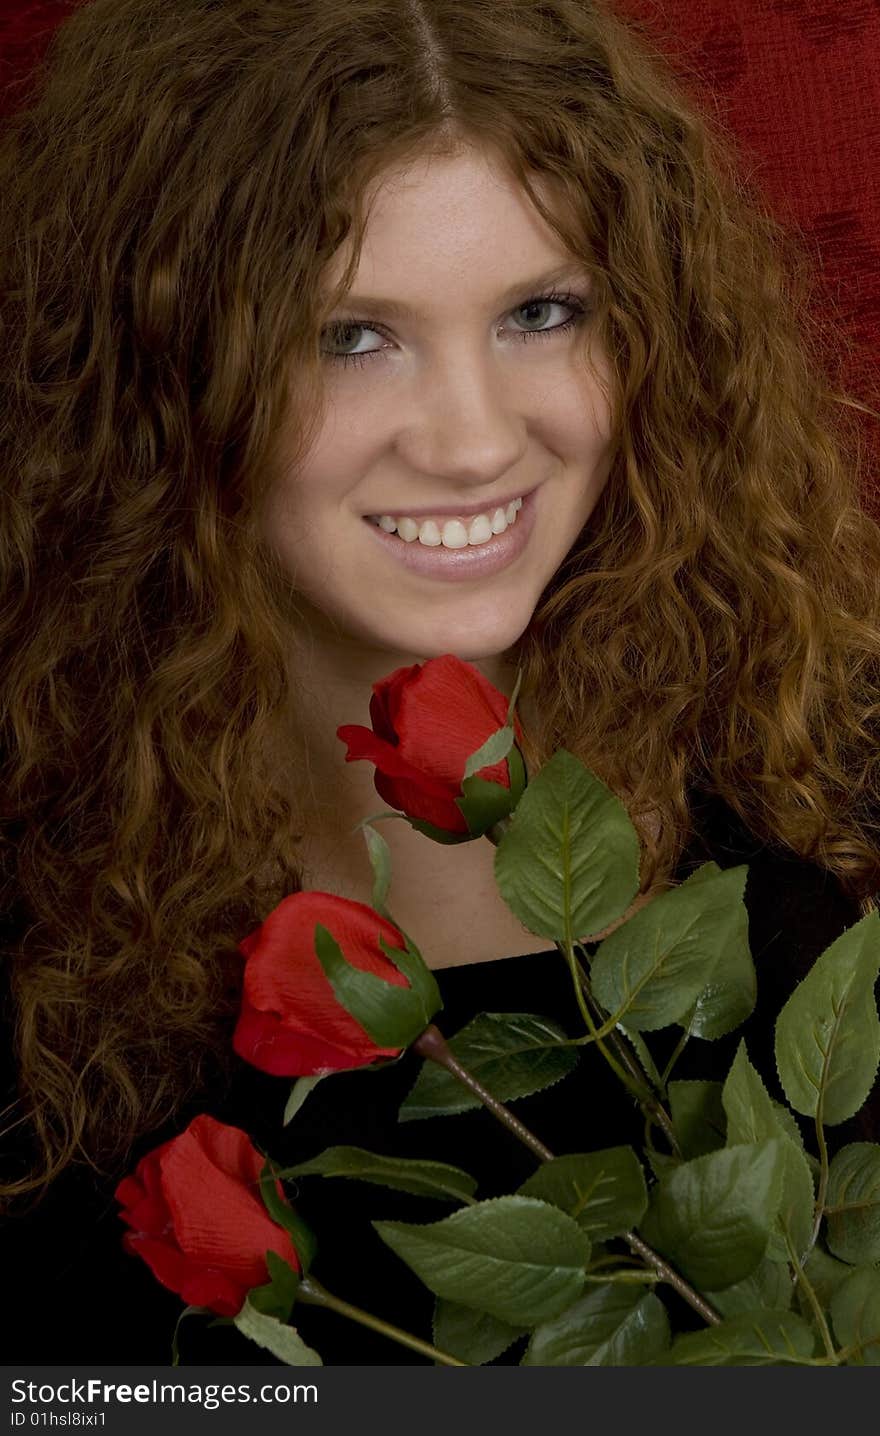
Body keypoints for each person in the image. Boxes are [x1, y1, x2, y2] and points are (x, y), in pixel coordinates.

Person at [1, 0, 878, 1366]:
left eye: (541, 313)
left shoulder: (834, 780)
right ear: (155, 381)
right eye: (350, 336)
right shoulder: (40, 950)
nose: (475, 443)